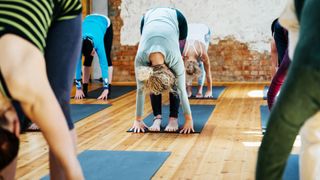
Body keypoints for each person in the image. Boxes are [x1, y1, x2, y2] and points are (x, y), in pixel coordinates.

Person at [0, 1, 84, 179]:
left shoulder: (25, 82)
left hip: (61, 8)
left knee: (58, 106)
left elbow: (73, 170)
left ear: (17, 127)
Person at [256, 0, 320, 179]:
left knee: (310, 136)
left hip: (307, 70)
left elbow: (273, 149)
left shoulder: (284, 23)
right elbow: (276, 61)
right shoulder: (283, 27)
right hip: (304, 62)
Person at [130, 7, 194, 134]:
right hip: (148, 17)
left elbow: (181, 89)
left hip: (177, 19)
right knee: (153, 84)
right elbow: (141, 90)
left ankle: (173, 118)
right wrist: (137, 120)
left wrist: (189, 119)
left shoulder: (175, 59)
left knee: (177, 81)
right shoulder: (141, 60)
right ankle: (157, 118)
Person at [74, 14, 113, 100]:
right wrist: (78, 88)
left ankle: (108, 89)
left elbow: (103, 65)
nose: (93, 54)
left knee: (106, 57)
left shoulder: (99, 43)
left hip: (104, 22)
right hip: (89, 19)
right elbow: (76, 66)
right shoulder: (78, 44)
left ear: (94, 49)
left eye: (92, 52)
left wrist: (105, 88)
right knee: (87, 60)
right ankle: (84, 89)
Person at [183, 23, 212, 98]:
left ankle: (200, 90)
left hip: (204, 30)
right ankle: (189, 91)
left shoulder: (203, 53)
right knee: (186, 72)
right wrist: (183, 92)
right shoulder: (182, 53)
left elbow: (208, 73)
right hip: (188, 29)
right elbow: (180, 75)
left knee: (202, 64)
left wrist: (209, 91)